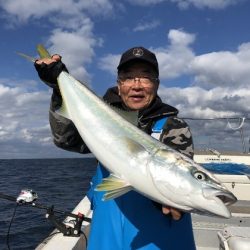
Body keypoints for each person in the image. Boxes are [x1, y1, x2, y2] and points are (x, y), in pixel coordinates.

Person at [35, 46, 196, 250]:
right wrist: (59, 87)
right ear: (119, 85)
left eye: (145, 77)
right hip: (106, 237)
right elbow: (66, 140)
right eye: (128, 77)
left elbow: (180, 177)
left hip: (157, 240)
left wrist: (172, 200)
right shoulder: (100, 121)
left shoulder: (173, 126)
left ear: (156, 84)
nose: (136, 85)